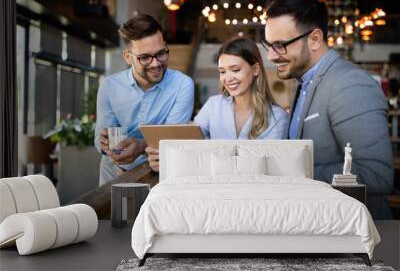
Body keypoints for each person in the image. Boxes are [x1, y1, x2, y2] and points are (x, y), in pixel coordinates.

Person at [263, 0, 393, 219]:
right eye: (269, 45)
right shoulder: (302, 82)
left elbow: (376, 175)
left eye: (280, 45)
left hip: (354, 237)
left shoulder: (350, 85)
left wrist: (291, 172)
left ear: (314, 39)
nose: (271, 56)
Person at [146, 37, 289, 171]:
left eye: (235, 70)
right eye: (222, 72)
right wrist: (165, 156)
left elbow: (268, 168)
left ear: (255, 69)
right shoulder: (213, 106)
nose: (228, 78)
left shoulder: (277, 117)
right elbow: (190, 145)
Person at [95, 14, 194, 185]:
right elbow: (101, 137)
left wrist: (141, 146)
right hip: (113, 172)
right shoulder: (109, 86)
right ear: (128, 57)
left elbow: (170, 139)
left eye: (161, 53)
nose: (156, 64)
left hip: (156, 171)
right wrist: (104, 144)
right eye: (145, 58)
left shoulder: (182, 85)